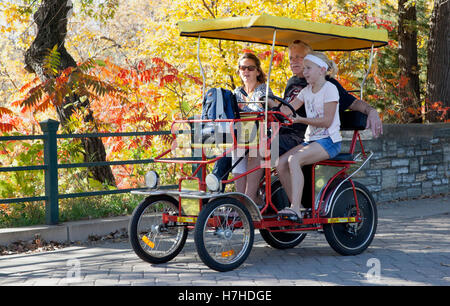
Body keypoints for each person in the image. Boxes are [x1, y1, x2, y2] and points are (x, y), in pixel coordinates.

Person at [244, 40, 383, 207]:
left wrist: (372, 111)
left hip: (301, 137)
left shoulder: (328, 84)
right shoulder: (295, 84)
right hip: (283, 133)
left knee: (261, 150)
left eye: (299, 57)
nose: (294, 61)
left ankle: (249, 202)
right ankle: (249, 199)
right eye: (290, 58)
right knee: (241, 148)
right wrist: (268, 104)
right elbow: (286, 110)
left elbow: (353, 104)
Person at [276, 51, 341, 221]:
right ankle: (299, 208)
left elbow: (327, 121)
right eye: (304, 68)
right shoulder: (306, 91)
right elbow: (286, 110)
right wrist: (269, 106)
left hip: (329, 141)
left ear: (321, 70)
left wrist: (301, 119)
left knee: (294, 160)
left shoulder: (330, 89)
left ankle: (295, 208)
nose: (304, 72)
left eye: (308, 68)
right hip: (311, 141)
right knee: (280, 163)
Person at [230, 53, 276, 193]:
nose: (246, 71)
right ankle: (240, 196)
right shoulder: (237, 92)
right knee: (235, 150)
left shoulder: (263, 89)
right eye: (243, 68)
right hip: (243, 134)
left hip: (264, 134)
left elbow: (260, 110)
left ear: (257, 71)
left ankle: (248, 198)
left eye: (250, 68)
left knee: (254, 151)